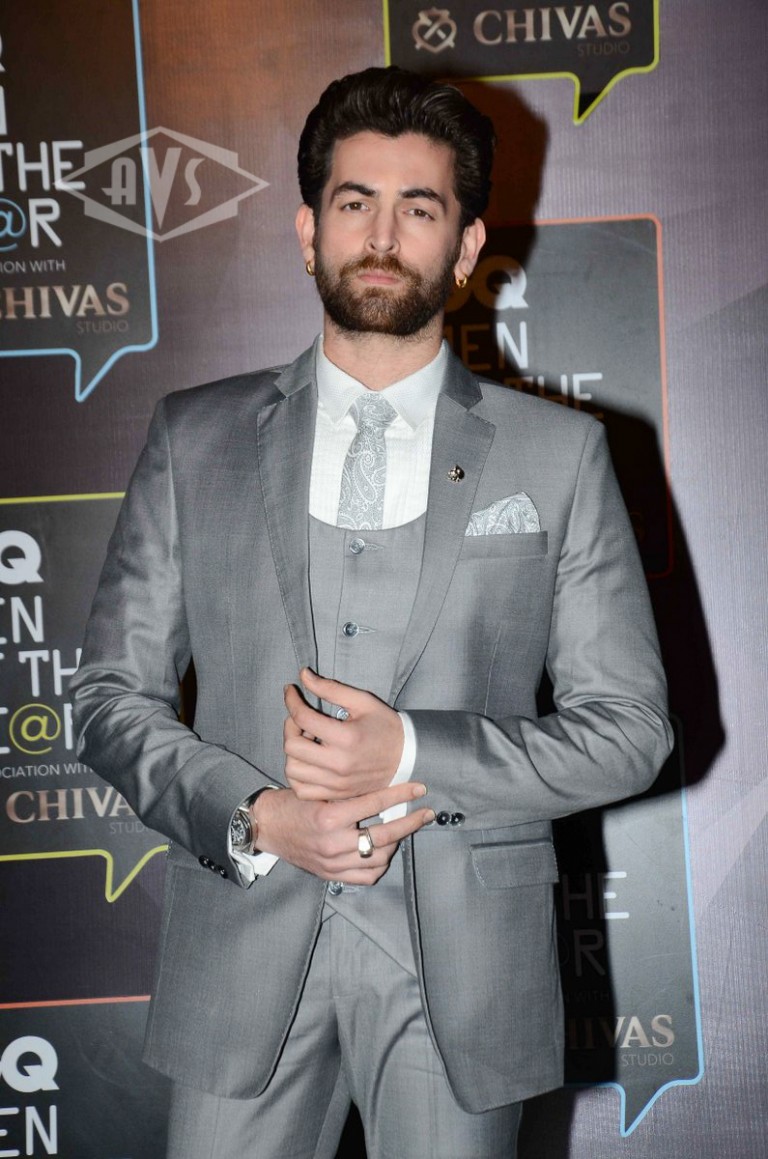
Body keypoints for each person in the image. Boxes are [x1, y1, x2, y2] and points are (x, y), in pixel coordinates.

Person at [71, 66, 672, 1159]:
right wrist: (257, 816)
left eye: (419, 208)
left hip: (462, 979)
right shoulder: (194, 438)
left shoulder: (561, 455)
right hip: (243, 957)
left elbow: (630, 731)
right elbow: (110, 698)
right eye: (355, 203)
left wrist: (412, 752)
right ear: (309, 231)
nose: (383, 236)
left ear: (468, 244)